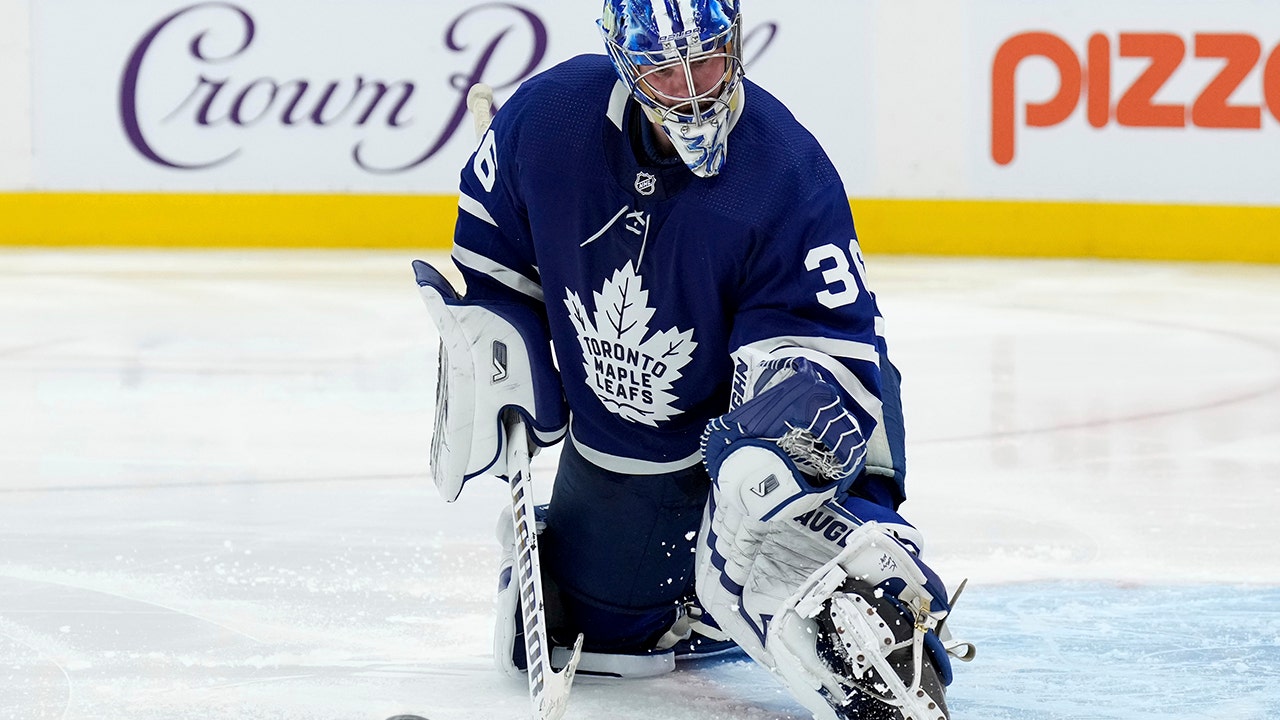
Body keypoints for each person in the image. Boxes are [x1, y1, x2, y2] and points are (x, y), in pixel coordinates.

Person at [413, 1, 971, 717]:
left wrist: (773, 448)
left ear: (732, 42)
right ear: (624, 61)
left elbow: (831, 351)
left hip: (740, 440)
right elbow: (493, 258)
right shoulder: (549, 120)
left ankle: (863, 587)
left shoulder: (784, 172)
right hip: (627, 449)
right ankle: (689, 601)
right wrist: (496, 351)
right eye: (664, 70)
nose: (692, 90)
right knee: (578, 634)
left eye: (706, 59)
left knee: (778, 514)